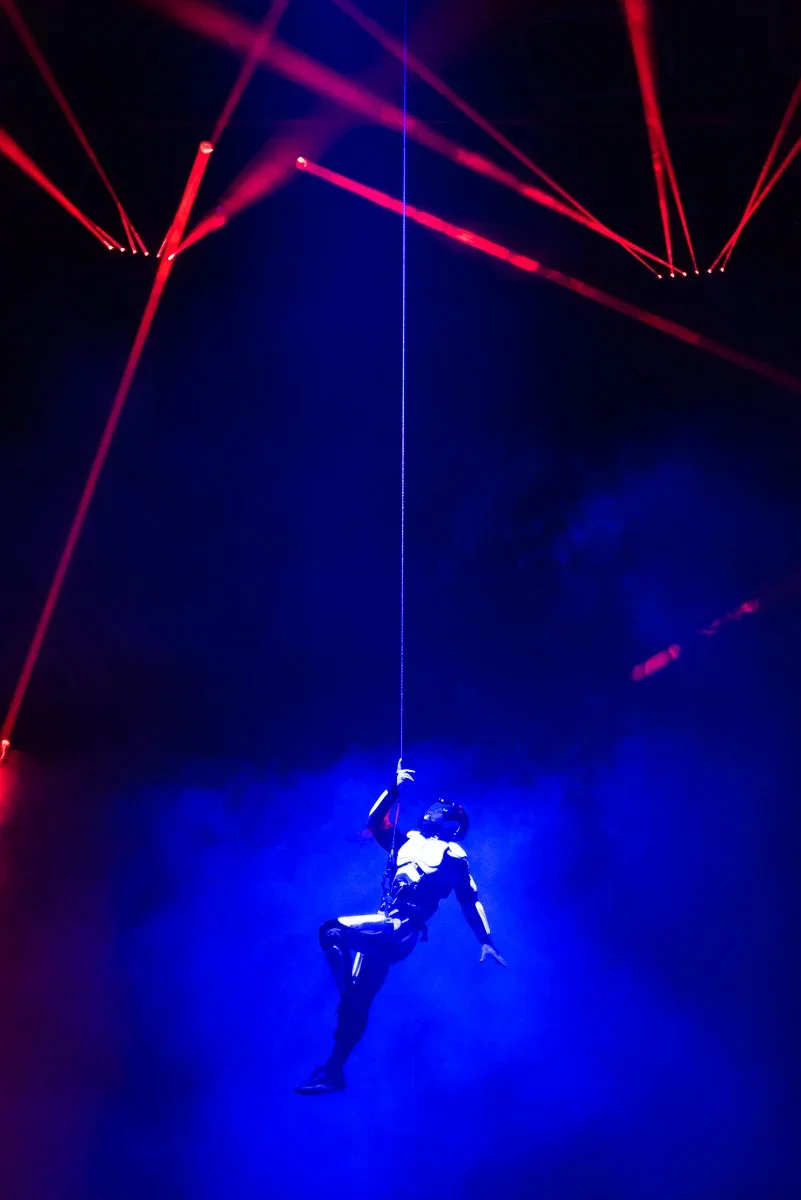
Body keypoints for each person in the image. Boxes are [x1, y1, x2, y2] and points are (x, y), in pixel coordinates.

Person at [295, 761, 506, 1095]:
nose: (432, 811)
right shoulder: (406, 840)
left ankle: (346, 999)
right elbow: (375, 822)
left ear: (453, 826)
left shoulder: (452, 853)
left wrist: (486, 940)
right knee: (357, 1004)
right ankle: (333, 1070)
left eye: (441, 811)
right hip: (385, 929)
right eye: (434, 807)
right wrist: (393, 788)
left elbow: (470, 900)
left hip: (402, 927)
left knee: (332, 932)